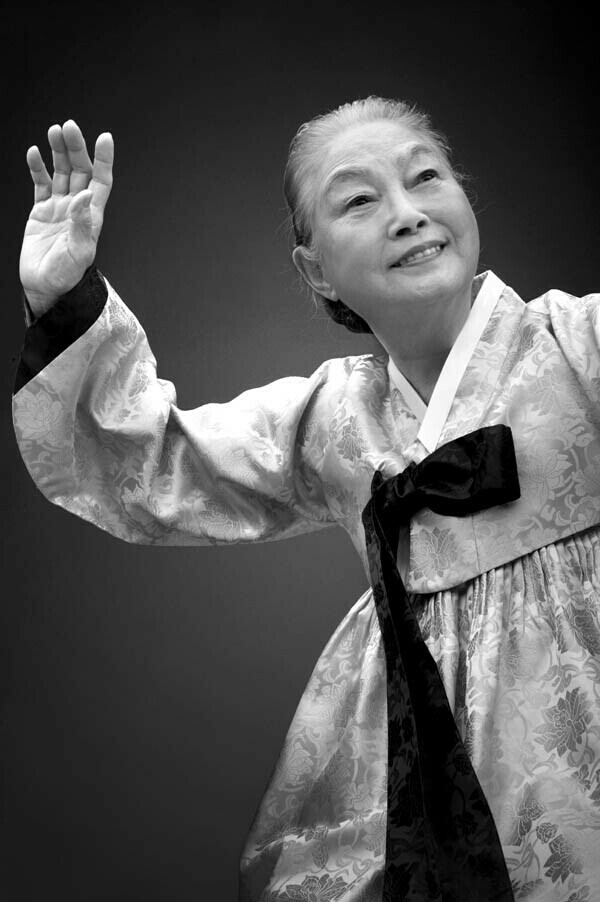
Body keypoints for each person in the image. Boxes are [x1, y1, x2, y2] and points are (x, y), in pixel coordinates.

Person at [13, 97, 600, 902]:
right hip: (411, 779)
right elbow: (152, 458)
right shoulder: (333, 418)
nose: (408, 213)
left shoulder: (578, 345)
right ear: (316, 270)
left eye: (426, 177)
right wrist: (64, 292)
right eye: (359, 199)